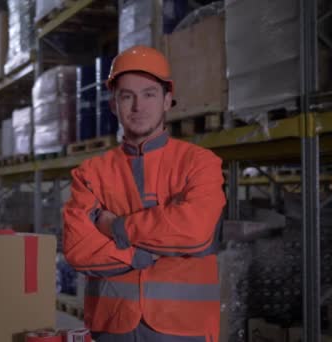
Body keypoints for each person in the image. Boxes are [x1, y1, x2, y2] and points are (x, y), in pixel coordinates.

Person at [62, 45, 226, 342]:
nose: (138, 106)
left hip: (185, 329)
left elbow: (195, 231)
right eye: (127, 96)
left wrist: (115, 227)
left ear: (167, 101)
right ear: (113, 104)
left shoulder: (200, 163)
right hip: (112, 328)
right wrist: (145, 252)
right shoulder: (90, 173)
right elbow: (78, 249)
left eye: (149, 94)